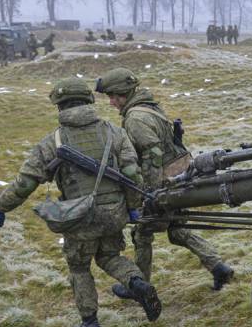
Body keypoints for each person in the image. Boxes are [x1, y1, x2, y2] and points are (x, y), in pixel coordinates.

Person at [0, 77, 162, 327]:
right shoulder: (114, 131)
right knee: (110, 257)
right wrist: (133, 207)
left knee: (80, 267)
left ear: (60, 106)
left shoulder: (53, 141)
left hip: (79, 217)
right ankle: (137, 283)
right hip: (115, 212)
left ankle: (90, 323)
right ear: (89, 102)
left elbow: (25, 182)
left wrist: (0, 208)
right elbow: (133, 174)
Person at [95, 68, 235, 291]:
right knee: (177, 229)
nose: (111, 102)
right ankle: (218, 267)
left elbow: (152, 153)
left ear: (123, 93)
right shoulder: (149, 108)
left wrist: (150, 193)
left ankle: (140, 288)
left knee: (142, 232)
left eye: (113, 96)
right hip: (179, 175)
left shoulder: (135, 118)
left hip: (164, 183)